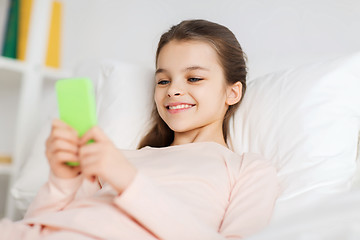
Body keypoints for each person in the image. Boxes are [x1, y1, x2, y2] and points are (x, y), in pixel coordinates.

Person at [0, 19, 279, 240]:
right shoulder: (117, 159)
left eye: (193, 78)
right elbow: (38, 226)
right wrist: (61, 181)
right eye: (163, 81)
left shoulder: (247, 169)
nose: (174, 90)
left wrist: (127, 180)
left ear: (233, 92)